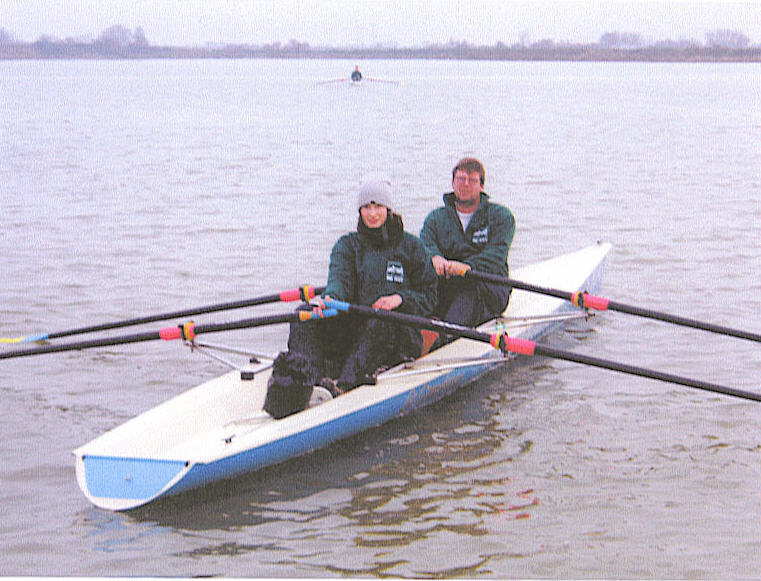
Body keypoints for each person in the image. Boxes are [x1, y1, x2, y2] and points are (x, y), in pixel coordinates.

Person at [264, 178, 438, 419]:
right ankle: (310, 384)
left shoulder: (410, 247)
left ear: (389, 209)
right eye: (366, 207)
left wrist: (400, 298)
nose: (372, 214)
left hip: (396, 333)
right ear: (360, 211)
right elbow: (339, 282)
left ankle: (343, 386)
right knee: (303, 314)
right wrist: (328, 299)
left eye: (378, 207)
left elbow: (430, 295)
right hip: (355, 330)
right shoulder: (347, 246)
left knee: (381, 318)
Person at [420, 157, 515, 329]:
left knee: (469, 293)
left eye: (472, 180)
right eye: (461, 179)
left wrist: (467, 267)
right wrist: (434, 257)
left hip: (487, 285)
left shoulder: (501, 217)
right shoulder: (435, 218)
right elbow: (425, 245)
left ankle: (446, 335)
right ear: (452, 183)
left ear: (481, 186)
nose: (465, 185)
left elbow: (496, 256)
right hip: (449, 284)